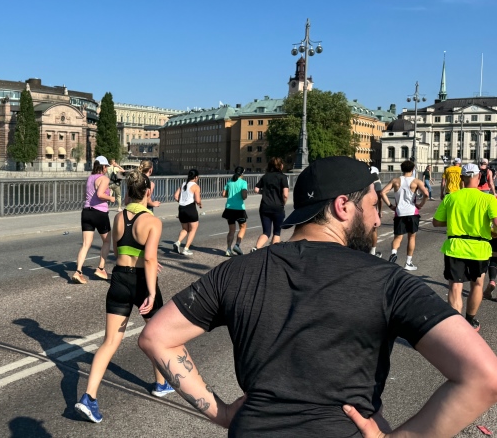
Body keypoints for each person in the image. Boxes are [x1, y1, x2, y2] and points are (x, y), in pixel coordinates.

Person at [139, 156, 497, 436]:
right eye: (373, 206)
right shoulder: (388, 281)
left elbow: (156, 336)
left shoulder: (238, 271)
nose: (377, 220)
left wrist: (222, 412)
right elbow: (484, 376)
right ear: (343, 206)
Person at [75, 170, 172, 424]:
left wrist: (142, 259)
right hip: (141, 282)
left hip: (119, 278)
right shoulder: (152, 221)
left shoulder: (119, 217)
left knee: (109, 342)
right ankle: (160, 384)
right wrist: (151, 291)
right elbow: (149, 258)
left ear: (128, 191)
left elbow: (119, 251)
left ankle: (89, 397)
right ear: (148, 192)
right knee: (157, 335)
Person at [433, 163, 497, 331]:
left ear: (462, 178)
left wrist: (454, 221)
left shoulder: (451, 197)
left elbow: (436, 222)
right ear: (479, 177)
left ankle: (456, 327)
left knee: (455, 286)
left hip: (455, 246)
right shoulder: (489, 199)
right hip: (479, 248)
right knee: (477, 285)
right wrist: (491, 230)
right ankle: (470, 320)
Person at [73, 156, 116, 284]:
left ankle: (78, 272)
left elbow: (90, 195)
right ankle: (100, 269)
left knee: (86, 244)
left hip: (87, 212)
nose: (107, 169)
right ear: (103, 167)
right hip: (99, 213)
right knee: (107, 241)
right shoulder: (104, 179)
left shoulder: (90, 178)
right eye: (106, 166)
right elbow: (100, 195)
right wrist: (111, 198)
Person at [380, 160, 428, 271]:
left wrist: (390, 206)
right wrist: (420, 205)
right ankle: (408, 262)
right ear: (412, 169)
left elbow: (382, 192)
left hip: (399, 212)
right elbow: (426, 194)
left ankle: (394, 253)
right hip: (412, 212)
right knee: (411, 237)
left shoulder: (395, 181)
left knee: (398, 236)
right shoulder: (416, 181)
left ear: (402, 169)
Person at [252, 157, 289, 253]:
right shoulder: (283, 177)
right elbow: (285, 195)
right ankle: (273, 253)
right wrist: (283, 203)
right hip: (278, 207)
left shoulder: (265, 177)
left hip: (264, 207)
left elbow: (256, 189)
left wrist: (264, 192)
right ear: (280, 166)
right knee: (276, 232)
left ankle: (256, 248)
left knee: (266, 232)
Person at [173, 169, 201, 256]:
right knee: (193, 229)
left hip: (181, 208)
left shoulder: (183, 184)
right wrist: (200, 204)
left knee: (185, 229)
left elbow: (175, 196)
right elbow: (197, 200)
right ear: (196, 177)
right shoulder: (195, 186)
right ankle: (186, 248)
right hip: (190, 208)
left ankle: (178, 242)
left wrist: (182, 202)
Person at [221, 166, 248, 257]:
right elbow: (244, 196)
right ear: (242, 173)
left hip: (229, 208)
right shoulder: (243, 182)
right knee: (243, 227)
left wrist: (230, 196)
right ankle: (237, 245)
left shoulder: (229, 182)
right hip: (239, 209)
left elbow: (223, 194)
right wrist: (243, 196)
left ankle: (228, 249)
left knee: (231, 230)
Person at [368, 166, 383, 258]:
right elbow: (380, 198)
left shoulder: (361, 180)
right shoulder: (376, 181)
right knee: (373, 230)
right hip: (371, 208)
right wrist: (380, 211)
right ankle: (372, 252)